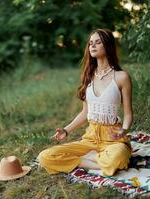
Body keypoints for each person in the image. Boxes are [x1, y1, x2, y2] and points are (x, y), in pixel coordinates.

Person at [37, 28, 133, 176]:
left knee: (118, 158)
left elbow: (128, 113)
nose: (92, 46)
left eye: (98, 42)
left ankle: (85, 160)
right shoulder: (88, 77)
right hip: (91, 137)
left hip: (113, 137)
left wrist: (124, 130)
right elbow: (85, 112)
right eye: (90, 43)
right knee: (45, 157)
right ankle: (88, 159)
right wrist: (66, 130)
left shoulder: (121, 77)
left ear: (107, 45)